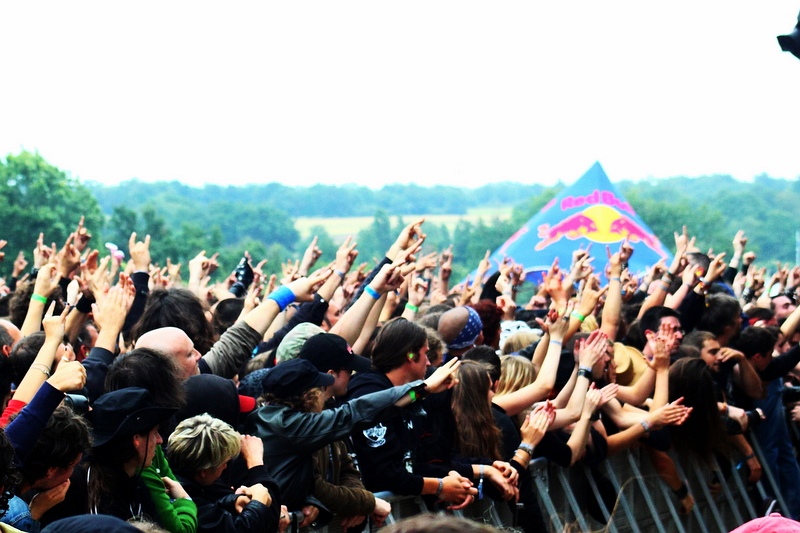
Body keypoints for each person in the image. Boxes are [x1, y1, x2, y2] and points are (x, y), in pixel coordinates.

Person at [244, 355, 464, 524]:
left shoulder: (273, 420)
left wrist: (312, 501)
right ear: (307, 396)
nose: (324, 393)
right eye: (319, 388)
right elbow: (355, 412)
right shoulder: (289, 426)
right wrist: (421, 389)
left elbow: (306, 482)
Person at [346, 318, 477, 509]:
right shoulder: (369, 390)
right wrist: (439, 486)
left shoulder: (407, 395)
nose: (429, 362)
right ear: (410, 356)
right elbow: (382, 473)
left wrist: (450, 479)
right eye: (425, 353)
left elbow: (409, 466)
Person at [167, 414, 281, 533]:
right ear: (204, 471)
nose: (225, 467)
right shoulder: (187, 502)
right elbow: (242, 529)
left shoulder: (188, 478)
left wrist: (232, 500)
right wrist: (259, 501)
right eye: (224, 462)